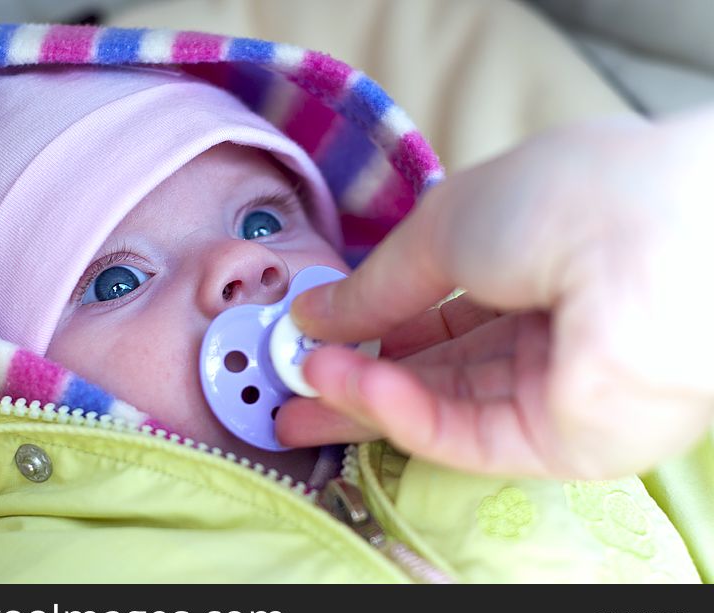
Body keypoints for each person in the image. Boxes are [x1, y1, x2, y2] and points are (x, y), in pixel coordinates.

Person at [0, 24, 703, 583]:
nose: (242, 265)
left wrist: (670, 257)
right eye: (116, 280)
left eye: (262, 217)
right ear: (4, 386)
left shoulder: (535, 384)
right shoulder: (19, 583)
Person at [279, 111, 714, 481]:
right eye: (204, 258)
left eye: (261, 224)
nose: (240, 259)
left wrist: (679, 235)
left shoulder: (640, 375)